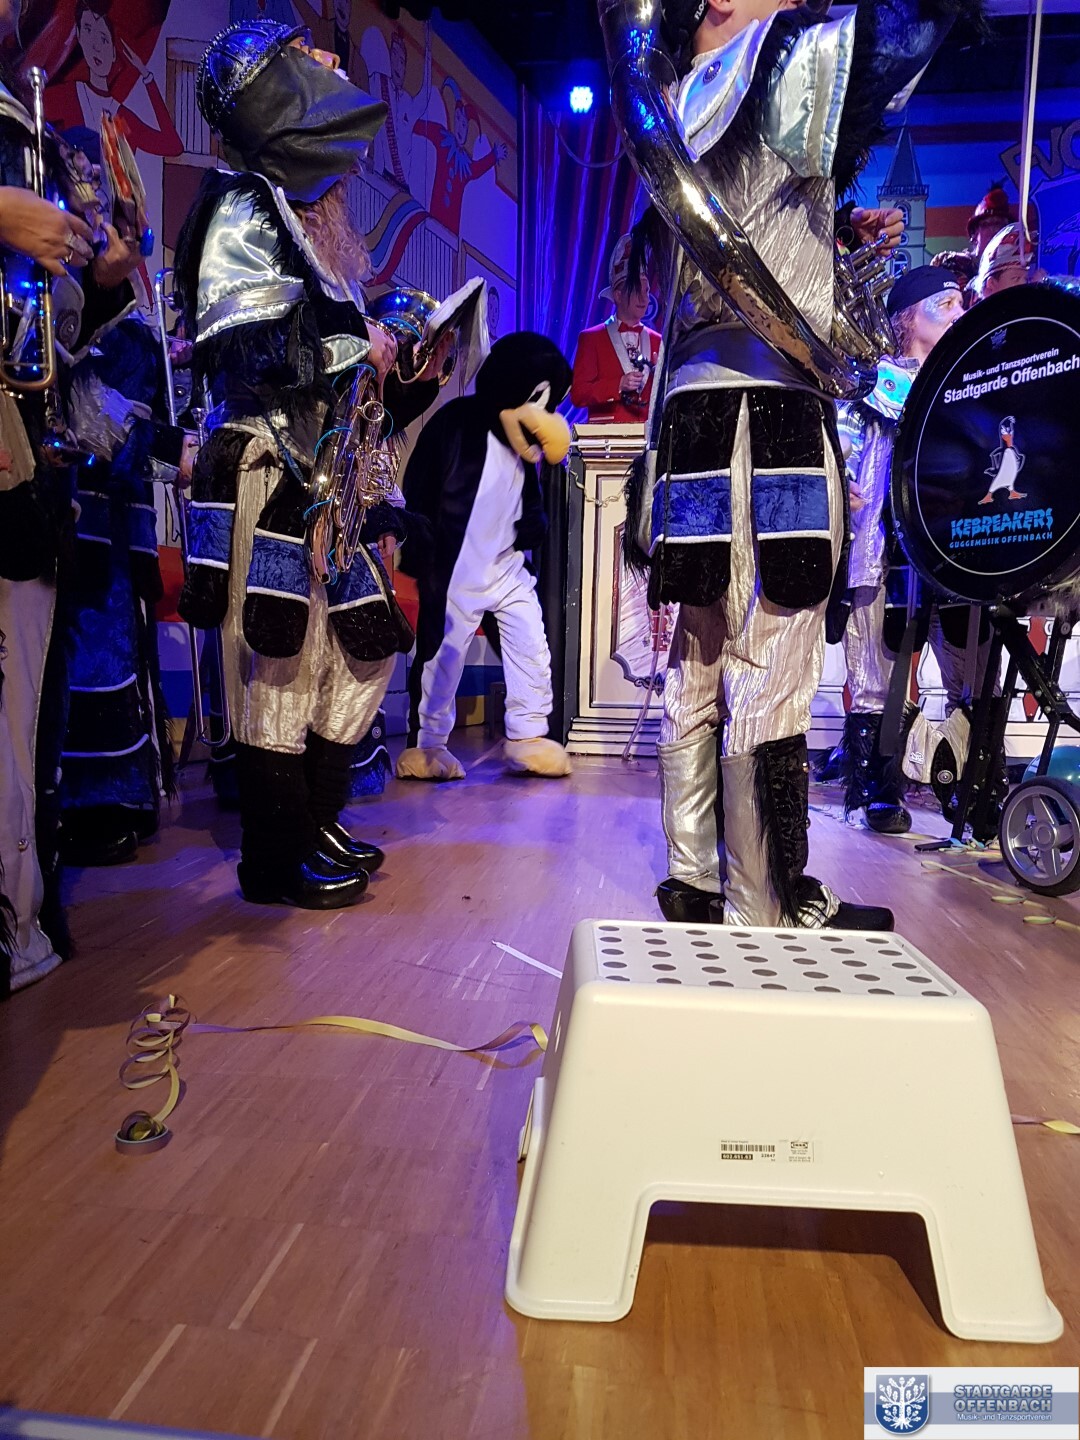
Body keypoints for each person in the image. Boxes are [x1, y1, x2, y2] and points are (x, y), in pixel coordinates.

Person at [624, 0, 983, 930]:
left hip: (694, 421)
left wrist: (831, 244)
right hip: (773, 419)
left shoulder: (673, 104)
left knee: (699, 650)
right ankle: (767, 899)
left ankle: (695, 880)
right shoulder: (769, 62)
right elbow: (903, 32)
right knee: (772, 653)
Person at [174, 20, 446, 909]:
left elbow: (341, 376)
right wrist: (355, 342)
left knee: (361, 657)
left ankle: (313, 825)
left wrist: (405, 366)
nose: (328, 67)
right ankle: (274, 858)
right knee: (280, 669)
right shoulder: (242, 205)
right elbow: (252, 345)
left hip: (327, 484)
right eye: (306, 64)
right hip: (268, 470)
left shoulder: (302, 221)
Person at [1, 20, 141, 994]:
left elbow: (41, 337)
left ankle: (23, 912)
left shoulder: (31, 116)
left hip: (26, 457)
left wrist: (97, 283)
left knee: (25, 717)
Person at [833, 266, 965, 832]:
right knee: (877, 676)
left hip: (954, 552)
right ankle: (879, 788)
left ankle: (971, 787)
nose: (960, 314)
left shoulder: (968, 380)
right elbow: (840, 449)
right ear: (909, 318)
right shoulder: (874, 387)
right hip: (884, 550)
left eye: (961, 303)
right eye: (947, 304)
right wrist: (842, 481)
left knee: (969, 671)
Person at [571, 232, 661, 424]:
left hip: (645, 438)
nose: (644, 299)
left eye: (646, 291)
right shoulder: (591, 338)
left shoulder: (658, 341)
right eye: (636, 291)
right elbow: (578, 394)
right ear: (618, 296)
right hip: (606, 437)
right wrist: (618, 384)